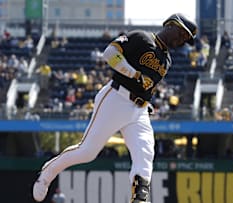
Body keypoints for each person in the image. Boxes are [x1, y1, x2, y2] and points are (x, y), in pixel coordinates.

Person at [32, 13, 197, 203]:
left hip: (139, 109)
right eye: (182, 34)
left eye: (186, 39)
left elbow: (148, 85)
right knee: (87, 152)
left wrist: (147, 100)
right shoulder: (141, 37)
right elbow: (110, 53)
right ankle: (47, 173)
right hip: (116, 98)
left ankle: (140, 198)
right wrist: (134, 74)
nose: (182, 41)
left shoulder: (167, 60)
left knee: (145, 151)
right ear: (171, 25)